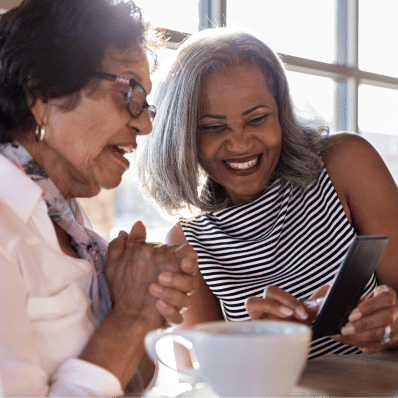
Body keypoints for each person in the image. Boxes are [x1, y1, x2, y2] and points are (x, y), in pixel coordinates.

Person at [139, 28, 398, 359]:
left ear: (281, 112)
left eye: (257, 118)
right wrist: (253, 340)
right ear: (184, 134)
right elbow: (200, 380)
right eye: (214, 127)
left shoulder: (344, 164)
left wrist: (391, 325)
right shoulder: (187, 243)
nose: (241, 143)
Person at [0, 0, 199, 396]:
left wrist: (140, 303)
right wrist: (130, 316)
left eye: (148, 105)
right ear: (41, 94)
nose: (144, 125)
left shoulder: (71, 226)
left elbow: (126, 384)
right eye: (130, 90)